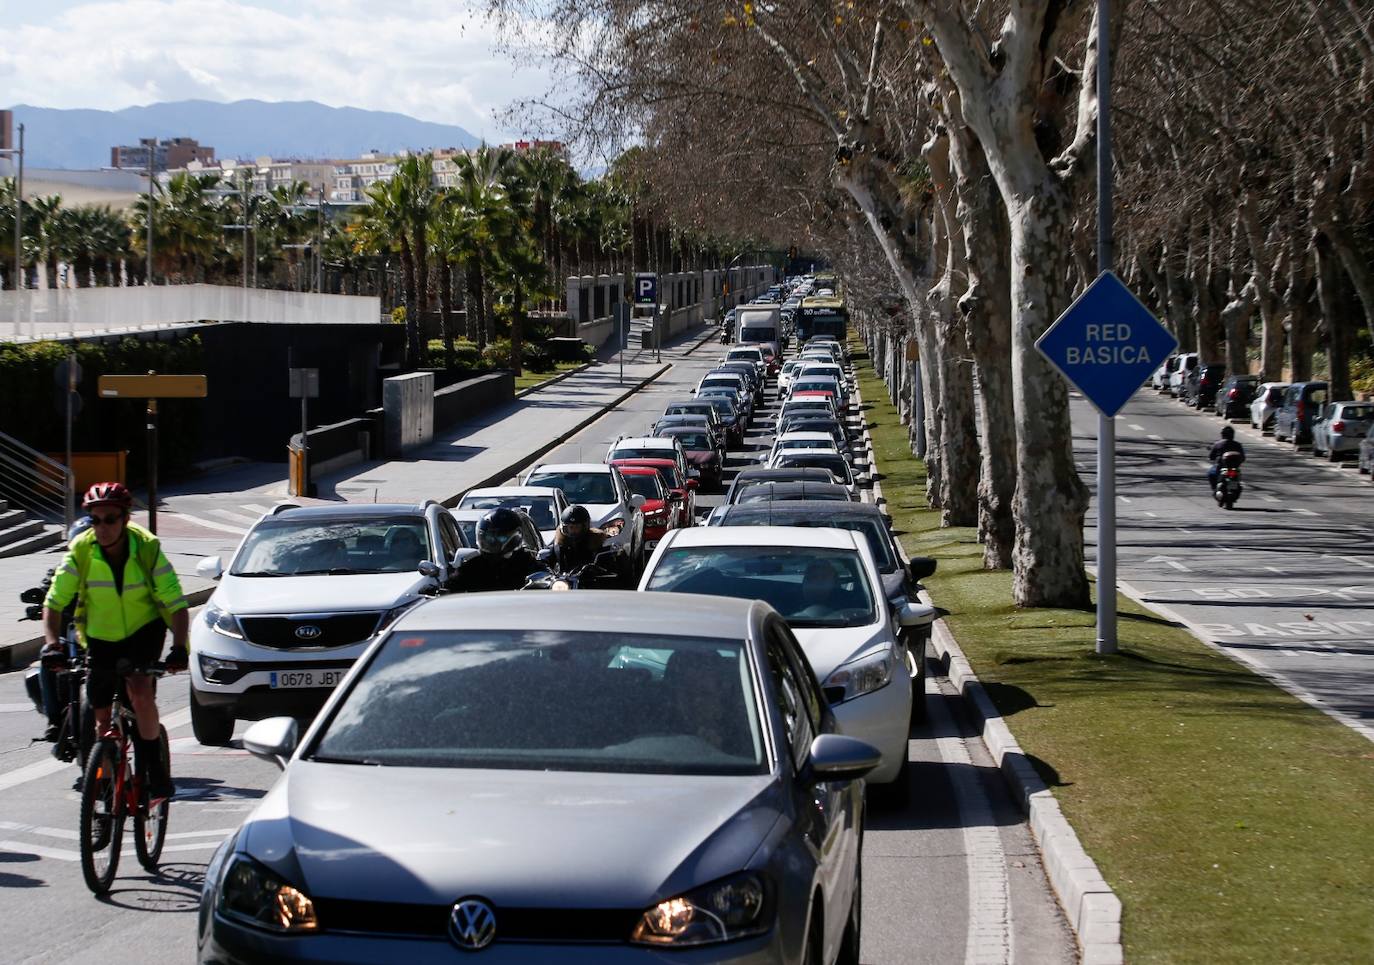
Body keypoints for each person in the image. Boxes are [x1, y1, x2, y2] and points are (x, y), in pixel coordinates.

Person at [41, 483, 189, 800]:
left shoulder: (147, 548)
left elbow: (176, 604)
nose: (102, 527)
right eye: (95, 520)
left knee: (139, 692)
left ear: (125, 519)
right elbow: (53, 603)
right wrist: (51, 644)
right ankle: (105, 796)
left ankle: (155, 771)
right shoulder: (81, 549)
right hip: (100, 635)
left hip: (144, 631)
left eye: (110, 519)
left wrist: (179, 648)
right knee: (101, 724)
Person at [36, 515, 94, 742]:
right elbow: (49, 589)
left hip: (104, 633)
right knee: (46, 658)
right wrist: (40, 596)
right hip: (70, 634)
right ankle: (54, 719)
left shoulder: (112, 568)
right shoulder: (63, 569)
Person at [449, 508, 545, 592]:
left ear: (516, 537)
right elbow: (451, 587)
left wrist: (550, 582)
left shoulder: (526, 563)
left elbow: (545, 578)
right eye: (488, 537)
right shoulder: (472, 566)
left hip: (520, 610)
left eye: (500, 537)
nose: (492, 541)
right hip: (481, 611)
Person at [551, 505, 609, 574]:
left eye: (577, 527)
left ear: (584, 527)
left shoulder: (595, 543)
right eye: (571, 527)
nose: (573, 530)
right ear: (565, 528)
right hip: (564, 582)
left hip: (592, 581)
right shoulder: (559, 546)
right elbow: (545, 563)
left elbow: (606, 564)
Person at [1208, 425, 1246, 490]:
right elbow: (1243, 458)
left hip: (1220, 467)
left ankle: (1215, 489)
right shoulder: (1238, 445)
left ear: (1223, 434)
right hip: (1235, 468)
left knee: (1211, 473)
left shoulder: (1218, 444)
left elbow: (1211, 456)